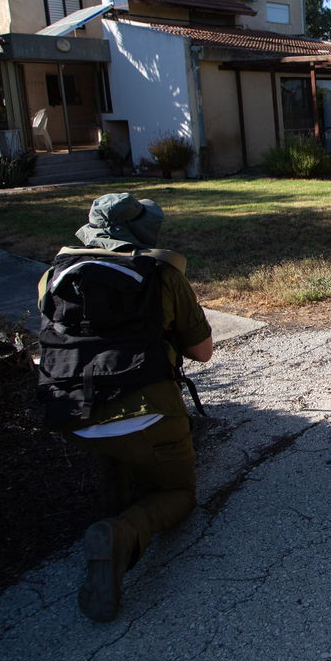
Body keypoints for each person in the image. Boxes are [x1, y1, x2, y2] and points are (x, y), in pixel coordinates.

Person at [37, 193, 213, 622]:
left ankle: (117, 496)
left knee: (118, 446)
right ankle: (122, 531)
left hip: (71, 414)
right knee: (178, 493)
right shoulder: (161, 273)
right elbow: (202, 352)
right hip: (148, 411)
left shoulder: (52, 275)